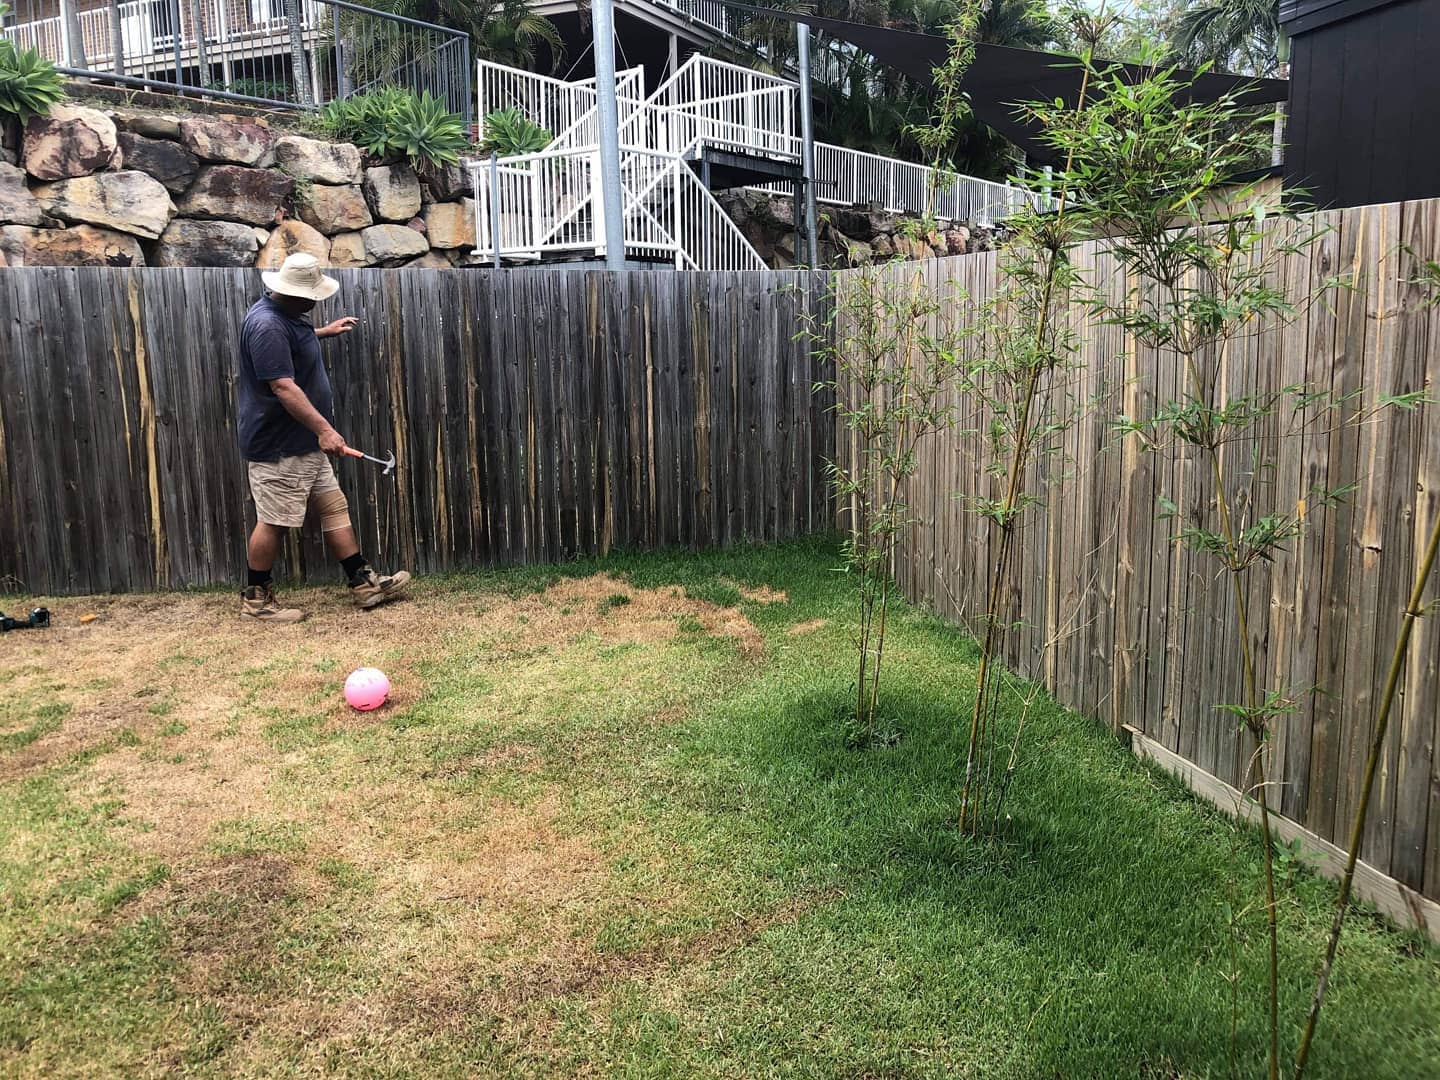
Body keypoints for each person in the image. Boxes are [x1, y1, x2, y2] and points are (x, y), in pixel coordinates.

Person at [237, 253, 411, 622]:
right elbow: (282, 386)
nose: (317, 300)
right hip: (280, 444)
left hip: (303, 442)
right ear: (295, 293)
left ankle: (363, 584)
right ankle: (256, 601)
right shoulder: (267, 325)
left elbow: (290, 343)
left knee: (334, 507)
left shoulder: (286, 318)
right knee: (275, 520)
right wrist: (325, 430)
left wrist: (322, 332)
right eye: (312, 294)